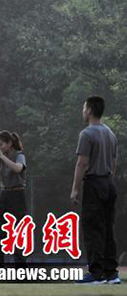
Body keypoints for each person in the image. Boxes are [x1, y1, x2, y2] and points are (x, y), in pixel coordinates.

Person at [71, 96, 119, 284]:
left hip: (93, 183)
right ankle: (111, 273)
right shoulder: (111, 134)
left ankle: (95, 273)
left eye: (84, 107)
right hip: (108, 183)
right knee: (107, 228)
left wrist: (75, 188)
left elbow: (82, 163)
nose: (82, 111)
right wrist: (108, 181)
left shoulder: (87, 134)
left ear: (90, 109)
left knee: (92, 228)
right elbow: (113, 164)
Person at [0, 130, 27, 268]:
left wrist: (3, 158)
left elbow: (17, 168)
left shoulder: (18, 155)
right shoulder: (0, 157)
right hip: (4, 194)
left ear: (9, 144)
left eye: (1, 144)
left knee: (18, 230)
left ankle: (20, 265)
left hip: (17, 193)